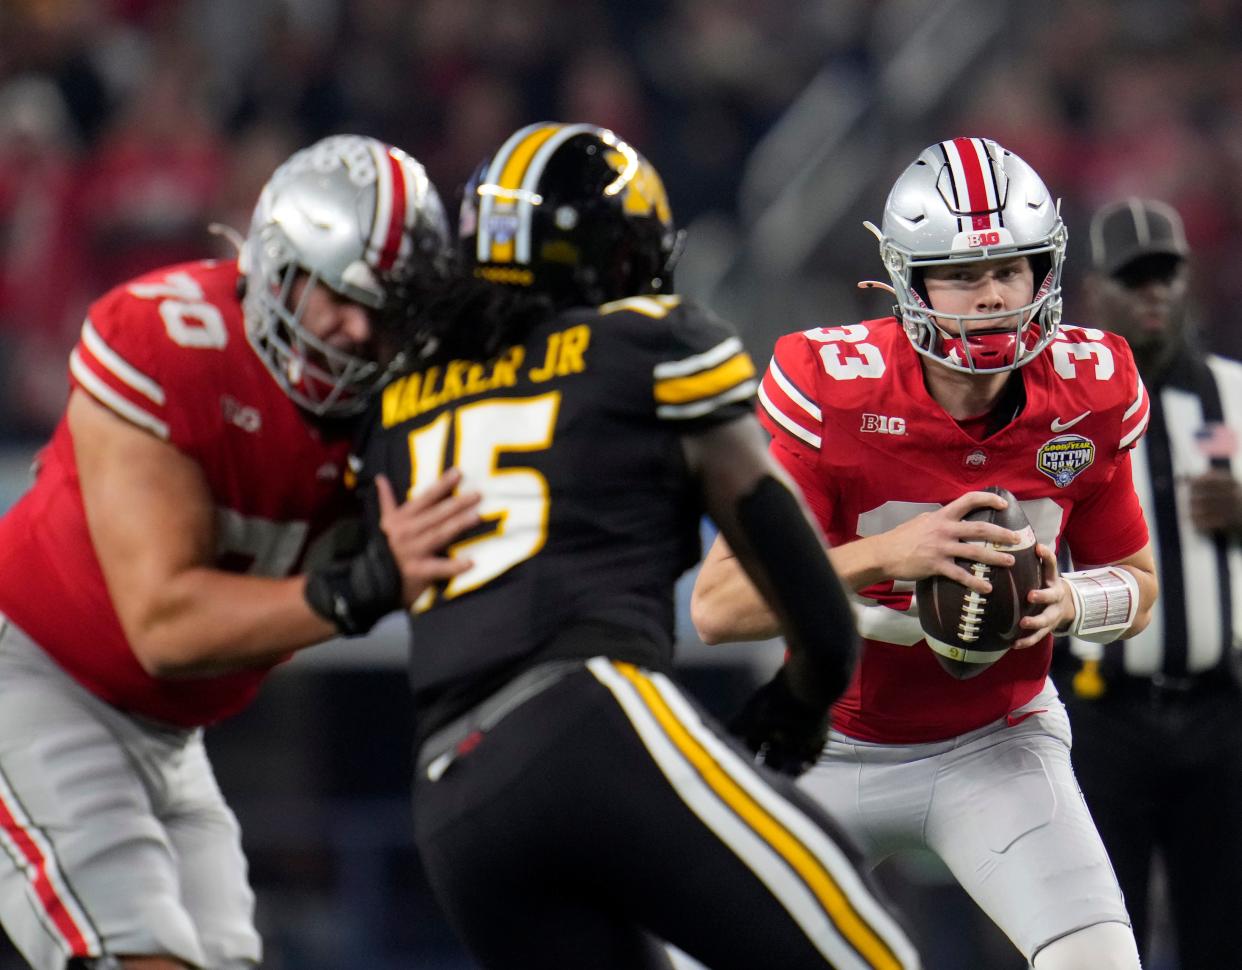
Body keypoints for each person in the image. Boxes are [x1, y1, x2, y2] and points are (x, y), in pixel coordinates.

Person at [354, 121, 922, 970]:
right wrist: (804, 698)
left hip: (451, 799)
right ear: (619, 258)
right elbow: (802, 583)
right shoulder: (646, 342)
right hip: (585, 717)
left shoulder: (404, 400)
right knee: (868, 956)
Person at [0, 134, 482, 970]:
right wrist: (360, 587)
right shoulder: (165, 339)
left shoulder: (404, 399)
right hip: (38, 680)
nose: (360, 329)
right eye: (338, 293)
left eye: (390, 307)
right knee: (141, 957)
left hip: (170, 735)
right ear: (278, 264)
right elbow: (163, 622)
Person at [691, 137, 1159, 970]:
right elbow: (719, 607)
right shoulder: (832, 386)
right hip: (823, 744)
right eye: (962, 275)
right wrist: (886, 553)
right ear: (909, 281)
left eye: (1010, 270)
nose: (990, 297)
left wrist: (1072, 604)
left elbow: (1140, 584)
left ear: (1043, 272)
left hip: (999, 743)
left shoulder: (1091, 390)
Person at [1055, 197, 1242, 968]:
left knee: (1224, 930)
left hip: (1220, 709)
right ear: (1094, 290)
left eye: (1165, 274)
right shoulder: (1057, 409)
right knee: (1102, 930)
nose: (1154, 293)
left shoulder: (1234, 394)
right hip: (1101, 710)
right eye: (1134, 279)